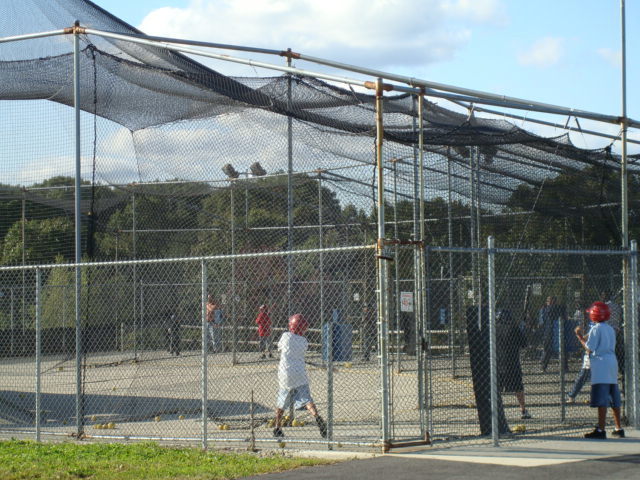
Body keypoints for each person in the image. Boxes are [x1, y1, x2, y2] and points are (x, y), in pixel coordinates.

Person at [575, 301, 625, 439]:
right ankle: (618, 428)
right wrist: (584, 336)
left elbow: (589, 348)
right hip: (612, 363)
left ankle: (601, 430)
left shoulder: (596, 329)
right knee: (613, 395)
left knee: (601, 398)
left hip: (601, 364)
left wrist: (579, 337)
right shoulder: (610, 328)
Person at [272, 313, 327, 439]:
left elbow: (280, 348)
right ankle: (317, 417)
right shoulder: (304, 341)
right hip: (300, 372)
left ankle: (277, 427)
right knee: (307, 399)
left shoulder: (285, 336)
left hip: (286, 373)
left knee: (281, 402)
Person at [496, 308, 531, 419]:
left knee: (496, 389)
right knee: (518, 387)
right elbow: (524, 344)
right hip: (512, 363)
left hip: (498, 364)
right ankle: (523, 410)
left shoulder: (494, 329)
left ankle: (496, 412)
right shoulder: (514, 328)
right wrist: (522, 331)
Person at [567, 305, 593, 404]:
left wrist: (579, 336)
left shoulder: (596, 326)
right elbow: (587, 337)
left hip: (592, 355)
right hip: (595, 356)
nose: (588, 316)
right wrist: (581, 335)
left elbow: (588, 347)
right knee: (588, 376)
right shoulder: (594, 325)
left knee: (585, 376)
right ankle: (572, 396)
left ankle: (572, 396)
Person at [537, 296, 568, 372]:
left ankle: (545, 366)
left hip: (552, 331)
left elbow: (542, 322)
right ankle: (545, 366)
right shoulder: (552, 309)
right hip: (552, 331)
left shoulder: (549, 309)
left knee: (552, 349)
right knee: (551, 349)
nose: (548, 303)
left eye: (549, 301)